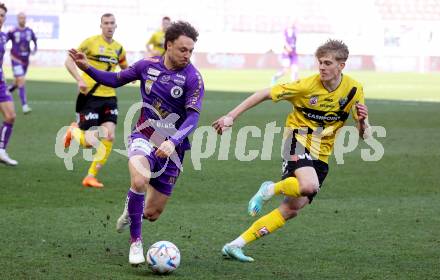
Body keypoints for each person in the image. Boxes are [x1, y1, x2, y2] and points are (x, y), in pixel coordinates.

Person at [213, 39, 371, 262]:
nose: (322, 67)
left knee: (291, 209)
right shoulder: (306, 86)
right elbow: (264, 93)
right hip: (296, 141)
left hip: (322, 155)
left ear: (341, 65)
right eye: (320, 63)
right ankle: (270, 189)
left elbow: (365, 135)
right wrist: (231, 116)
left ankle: (235, 244)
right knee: (309, 185)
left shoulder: (354, 89)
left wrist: (363, 122)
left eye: (327, 63)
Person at [68, 21, 203, 265]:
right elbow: (115, 79)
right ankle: (136, 243)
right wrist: (86, 67)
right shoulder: (146, 66)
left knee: (152, 213)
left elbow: (193, 116)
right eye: (183, 49)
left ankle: (132, 210)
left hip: (173, 148)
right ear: (169, 45)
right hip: (144, 135)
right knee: (139, 179)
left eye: (191, 50)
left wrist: (173, 141)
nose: (188, 55)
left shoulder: (193, 78)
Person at [63, 13, 128, 188]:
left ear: (116, 26)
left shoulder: (119, 48)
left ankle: (90, 176)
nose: (109, 26)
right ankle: (73, 129)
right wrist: (79, 79)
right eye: (106, 23)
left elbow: (125, 69)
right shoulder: (90, 43)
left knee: (110, 136)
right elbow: (69, 61)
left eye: (112, 23)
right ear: (101, 26)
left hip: (109, 98)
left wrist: (136, 76)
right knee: (89, 142)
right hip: (89, 97)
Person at [7, 12, 37, 114]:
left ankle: (4, 93)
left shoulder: (29, 31)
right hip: (15, 59)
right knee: (21, 80)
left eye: (24, 18)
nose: (22, 20)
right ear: (17, 19)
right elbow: (4, 41)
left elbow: (34, 41)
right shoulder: (13, 31)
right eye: (20, 18)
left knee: (16, 83)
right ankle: (24, 106)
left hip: (25, 60)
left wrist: (34, 49)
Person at [0, 3, 17, 165]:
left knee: (10, 116)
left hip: (0, 82)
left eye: (2, 15)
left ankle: (1, 151)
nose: (0, 18)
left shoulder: (4, 36)